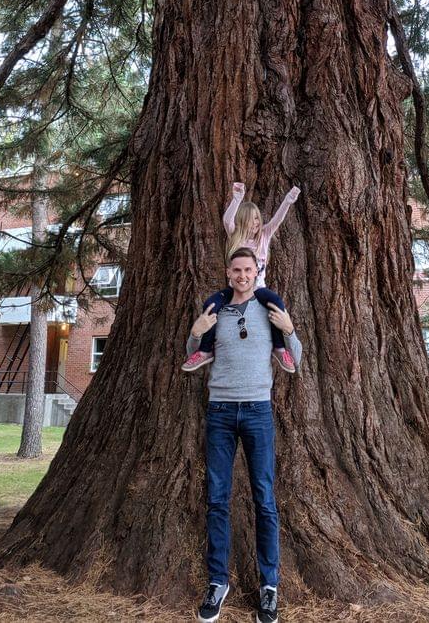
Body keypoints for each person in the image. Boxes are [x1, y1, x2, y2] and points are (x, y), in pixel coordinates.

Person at [189, 246, 302, 623]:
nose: (241, 275)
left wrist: (290, 331)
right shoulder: (216, 310)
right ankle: (218, 582)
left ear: (257, 272)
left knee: (264, 500)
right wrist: (196, 333)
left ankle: (269, 587)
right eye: (236, 270)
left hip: (257, 411)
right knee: (218, 499)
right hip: (220, 411)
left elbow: (294, 361)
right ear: (228, 272)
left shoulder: (269, 310)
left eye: (247, 270)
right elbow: (193, 355)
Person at [182, 182, 300, 373]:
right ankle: (204, 351)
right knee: (211, 305)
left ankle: (280, 349)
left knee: (276, 303)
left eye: (257, 219)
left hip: (258, 289)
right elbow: (227, 220)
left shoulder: (264, 237)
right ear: (242, 221)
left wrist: (288, 200)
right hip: (234, 290)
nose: (255, 223)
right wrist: (237, 198)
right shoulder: (236, 238)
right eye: (251, 219)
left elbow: (277, 220)